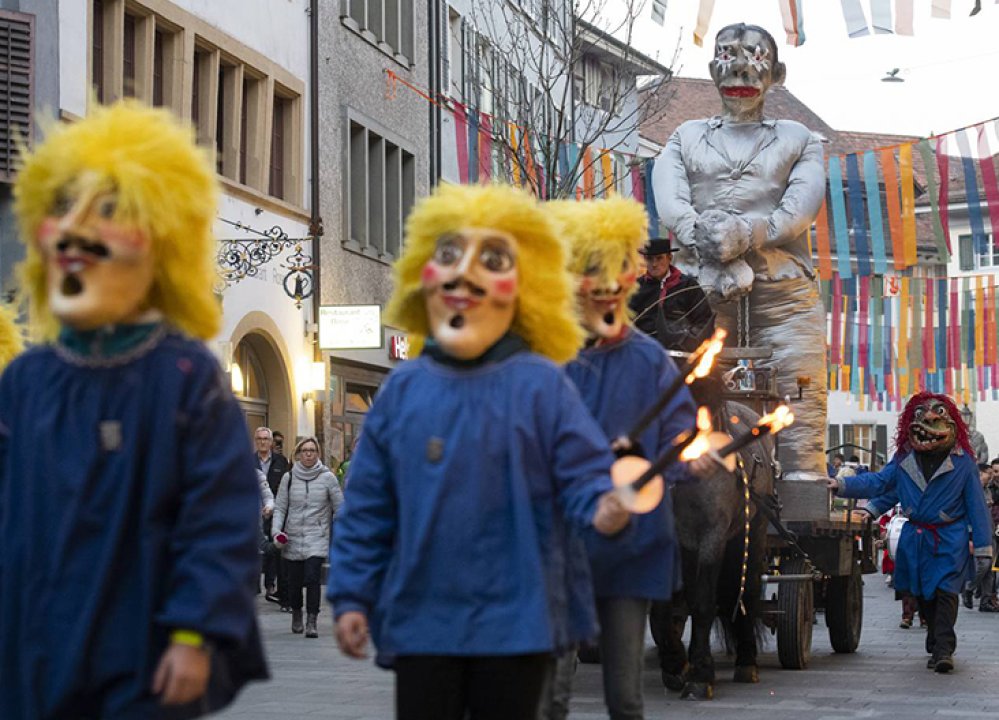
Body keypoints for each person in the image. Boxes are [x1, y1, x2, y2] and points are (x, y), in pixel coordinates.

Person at [0, 101, 267, 718]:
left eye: (108, 213)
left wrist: (194, 633)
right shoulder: (25, 380)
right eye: (63, 208)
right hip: (32, 649)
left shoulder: (187, 378)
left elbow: (219, 519)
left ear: (161, 244)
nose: (75, 234)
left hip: (140, 653)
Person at [327, 183, 633, 720]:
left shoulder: (542, 385)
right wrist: (351, 596)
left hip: (515, 622)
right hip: (424, 620)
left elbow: (583, 473)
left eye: (492, 261)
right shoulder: (402, 391)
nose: (464, 276)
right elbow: (368, 506)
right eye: (449, 254)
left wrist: (604, 503)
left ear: (524, 287)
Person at [654, 22, 828, 489]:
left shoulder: (800, 140)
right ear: (713, 68)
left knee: (798, 408)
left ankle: (801, 495)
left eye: (756, 56)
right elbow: (670, 200)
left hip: (784, 299)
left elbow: (799, 210)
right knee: (679, 395)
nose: (742, 68)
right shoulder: (685, 137)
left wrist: (747, 234)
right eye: (729, 55)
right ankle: (669, 484)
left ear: (777, 73)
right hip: (697, 292)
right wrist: (704, 236)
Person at [546, 197, 697, 720]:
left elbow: (680, 434)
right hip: (562, 544)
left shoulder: (649, 359)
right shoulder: (552, 359)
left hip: (631, 544)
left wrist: (665, 468)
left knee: (626, 696)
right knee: (550, 693)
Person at [824, 392, 993, 673]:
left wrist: (983, 547)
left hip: (950, 538)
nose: (929, 419)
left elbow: (977, 505)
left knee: (946, 591)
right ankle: (935, 638)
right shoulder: (904, 458)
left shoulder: (963, 462)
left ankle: (944, 649)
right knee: (924, 594)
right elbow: (882, 483)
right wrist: (842, 485)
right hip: (917, 539)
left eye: (938, 414)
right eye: (922, 414)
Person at [272, 437, 344, 639]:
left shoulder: (327, 478)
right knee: (294, 582)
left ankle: (312, 620)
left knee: (312, 578)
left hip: (317, 536)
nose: (309, 454)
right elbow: (280, 508)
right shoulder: (289, 478)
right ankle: (297, 613)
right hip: (292, 537)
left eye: (312, 450)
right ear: (298, 454)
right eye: (305, 450)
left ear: (318, 453)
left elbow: (340, 507)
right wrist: (276, 531)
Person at [628, 237, 714, 351]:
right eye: (649, 259)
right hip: (644, 350)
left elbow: (704, 321)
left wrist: (687, 339)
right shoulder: (636, 287)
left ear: (669, 258)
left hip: (680, 350)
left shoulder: (687, 286)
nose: (654, 264)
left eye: (659, 258)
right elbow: (625, 321)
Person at [255, 426, 290, 604]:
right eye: (259, 439)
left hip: (276, 511)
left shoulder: (281, 461)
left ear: (271, 442)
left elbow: (286, 486)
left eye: (265, 439)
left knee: (273, 550)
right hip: (255, 513)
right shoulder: (248, 461)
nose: (262, 442)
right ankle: (254, 586)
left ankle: (271, 584)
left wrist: (275, 507)